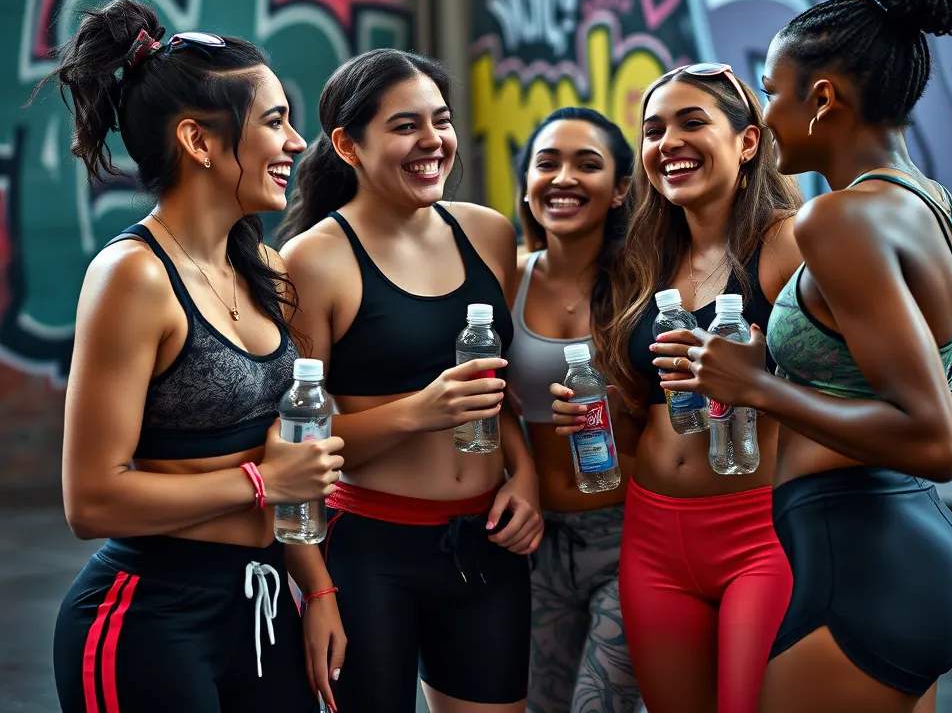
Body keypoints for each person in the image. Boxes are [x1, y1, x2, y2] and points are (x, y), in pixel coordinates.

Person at [672, 0, 952, 713]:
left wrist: (758, 387)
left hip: (863, 561)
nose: (765, 115)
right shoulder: (936, 208)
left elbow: (940, 441)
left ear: (823, 99)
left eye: (772, 93)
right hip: (911, 549)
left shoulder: (839, 219)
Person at [49, 0, 347, 713]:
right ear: (199, 140)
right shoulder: (134, 276)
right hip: (149, 617)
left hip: (262, 604)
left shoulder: (264, 265)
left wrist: (317, 588)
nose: (296, 141)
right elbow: (91, 500)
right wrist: (257, 483)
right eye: (274, 121)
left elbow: (286, 458)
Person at [278, 49, 545, 713]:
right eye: (405, 126)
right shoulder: (313, 260)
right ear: (348, 144)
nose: (433, 142)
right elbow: (290, 448)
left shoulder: (486, 233)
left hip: (486, 545)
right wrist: (416, 411)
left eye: (442, 120)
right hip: (370, 551)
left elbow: (497, 393)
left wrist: (527, 477)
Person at [554, 65, 803, 713]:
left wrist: (758, 378)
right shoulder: (640, 265)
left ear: (748, 141)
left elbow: (848, 390)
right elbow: (640, 421)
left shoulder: (783, 246)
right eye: (654, 129)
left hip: (760, 531)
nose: (669, 142)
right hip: (653, 535)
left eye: (693, 123)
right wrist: (599, 414)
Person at [508, 107, 640, 713]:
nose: (564, 178)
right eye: (547, 163)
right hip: (528, 544)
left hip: (629, 536)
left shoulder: (645, 288)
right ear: (527, 186)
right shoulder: (504, 281)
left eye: (588, 165)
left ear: (619, 191)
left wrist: (621, 406)